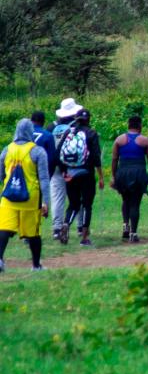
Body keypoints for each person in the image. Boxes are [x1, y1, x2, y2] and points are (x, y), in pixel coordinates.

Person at [1, 118, 50, 272]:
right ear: (31, 132)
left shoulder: (7, 149)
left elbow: (1, 174)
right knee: (33, 233)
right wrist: (46, 202)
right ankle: (36, 265)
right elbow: (44, 178)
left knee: (4, 229)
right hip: (30, 199)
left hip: (8, 198)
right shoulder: (37, 151)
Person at [57, 107, 101, 245]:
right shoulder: (91, 133)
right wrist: (100, 176)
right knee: (87, 204)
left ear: (76, 119)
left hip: (70, 173)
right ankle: (84, 237)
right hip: (86, 173)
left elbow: (58, 152)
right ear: (88, 119)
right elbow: (96, 156)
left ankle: (65, 225)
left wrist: (64, 171)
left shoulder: (68, 132)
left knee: (73, 204)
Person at [111, 115, 148, 243]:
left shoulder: (119, 140)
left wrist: (113, 176)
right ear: (140, 126)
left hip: (123, 172)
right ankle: (133, 233)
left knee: (125, 200)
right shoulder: (145, 141)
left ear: (128, 126)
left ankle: (125, 226)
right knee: (135, 203)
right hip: (138, 173)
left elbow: (115, 159)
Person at [48, 98, 81, 243]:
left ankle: (56, 228)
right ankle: (80, 226)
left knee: (57, 197)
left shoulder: (51, 127)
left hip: (55, 167)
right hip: (73, 166)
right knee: (77, 197)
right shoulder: (76, 127)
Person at [27, 111, 57, 243]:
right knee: (37, 202)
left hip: (23, 171)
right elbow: (52, 158)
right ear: (43, 122)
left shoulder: (23, 133)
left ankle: (25, 230)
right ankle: (32, 231)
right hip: (39, 173)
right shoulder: (48, 135)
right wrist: (48, 176)